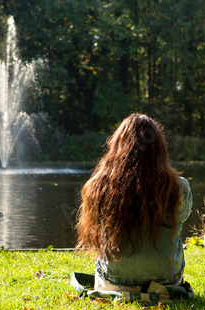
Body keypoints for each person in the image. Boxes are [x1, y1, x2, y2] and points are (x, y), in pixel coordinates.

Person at [75, 113, 192, 294]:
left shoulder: (99, 185)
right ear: (159, 148)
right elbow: (182, 217)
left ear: (117, 146)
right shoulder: (179, 187)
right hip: (167, 284)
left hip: (114, 283)